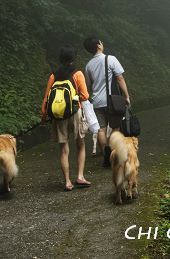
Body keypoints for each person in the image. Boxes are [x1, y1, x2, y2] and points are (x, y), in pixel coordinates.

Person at [40, 45, 91, 191]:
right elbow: (85, 96)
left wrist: (44, 116)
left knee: (64, 150)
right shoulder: (77, 74)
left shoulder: (53, 76)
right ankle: (80, 176)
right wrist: (75, 99)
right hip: (75, 112)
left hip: (58, 115)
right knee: (80, 144)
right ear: (73, 58)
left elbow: (47, 99)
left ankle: (68, 182)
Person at [83, 36, 130, 167]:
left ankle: (106, 156)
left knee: (101, 130)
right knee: (116, 127)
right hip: (112, 101)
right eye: (101, 42)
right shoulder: (111, 59)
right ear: (98, 45)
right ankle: (115, 155)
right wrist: (126, 96)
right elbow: (120, 79)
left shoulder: (88, 66)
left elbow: (89, 86)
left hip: (97, 102)